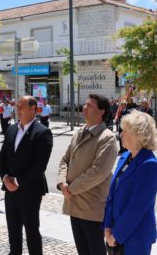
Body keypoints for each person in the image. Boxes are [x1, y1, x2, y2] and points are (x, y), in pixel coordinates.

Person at [57, 94, 118, 255]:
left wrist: (71, 189)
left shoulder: (108, 138)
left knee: (95, 250)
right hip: (74, 204)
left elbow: (98, 171)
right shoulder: (80, 132)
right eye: (85, 104)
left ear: (101, 112)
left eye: (90, 105)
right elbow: (65, 160)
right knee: (82, 250)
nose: (85, 107)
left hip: (91, 208)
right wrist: (62, 183)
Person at [0, 96, 53, 255]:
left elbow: (39, 166)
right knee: (13, 229)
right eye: (17, 106)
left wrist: (16, 181)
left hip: (29, 189)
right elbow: (2, 157)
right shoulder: (11, 129)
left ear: (33, 109)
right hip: (9, 189)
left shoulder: (43, 132)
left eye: (22, 107)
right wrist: (5, 178)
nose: (18, 110)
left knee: (31, 231)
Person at [104, 110, 157, 255]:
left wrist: (116, 235)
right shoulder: (125, 157)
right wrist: (107, 227)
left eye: (124, 131)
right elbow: (112, 196)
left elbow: (137, 207)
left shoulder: (149, 164)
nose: (120, 134)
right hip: (114, 235)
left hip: (135, 238)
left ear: (139, 134)